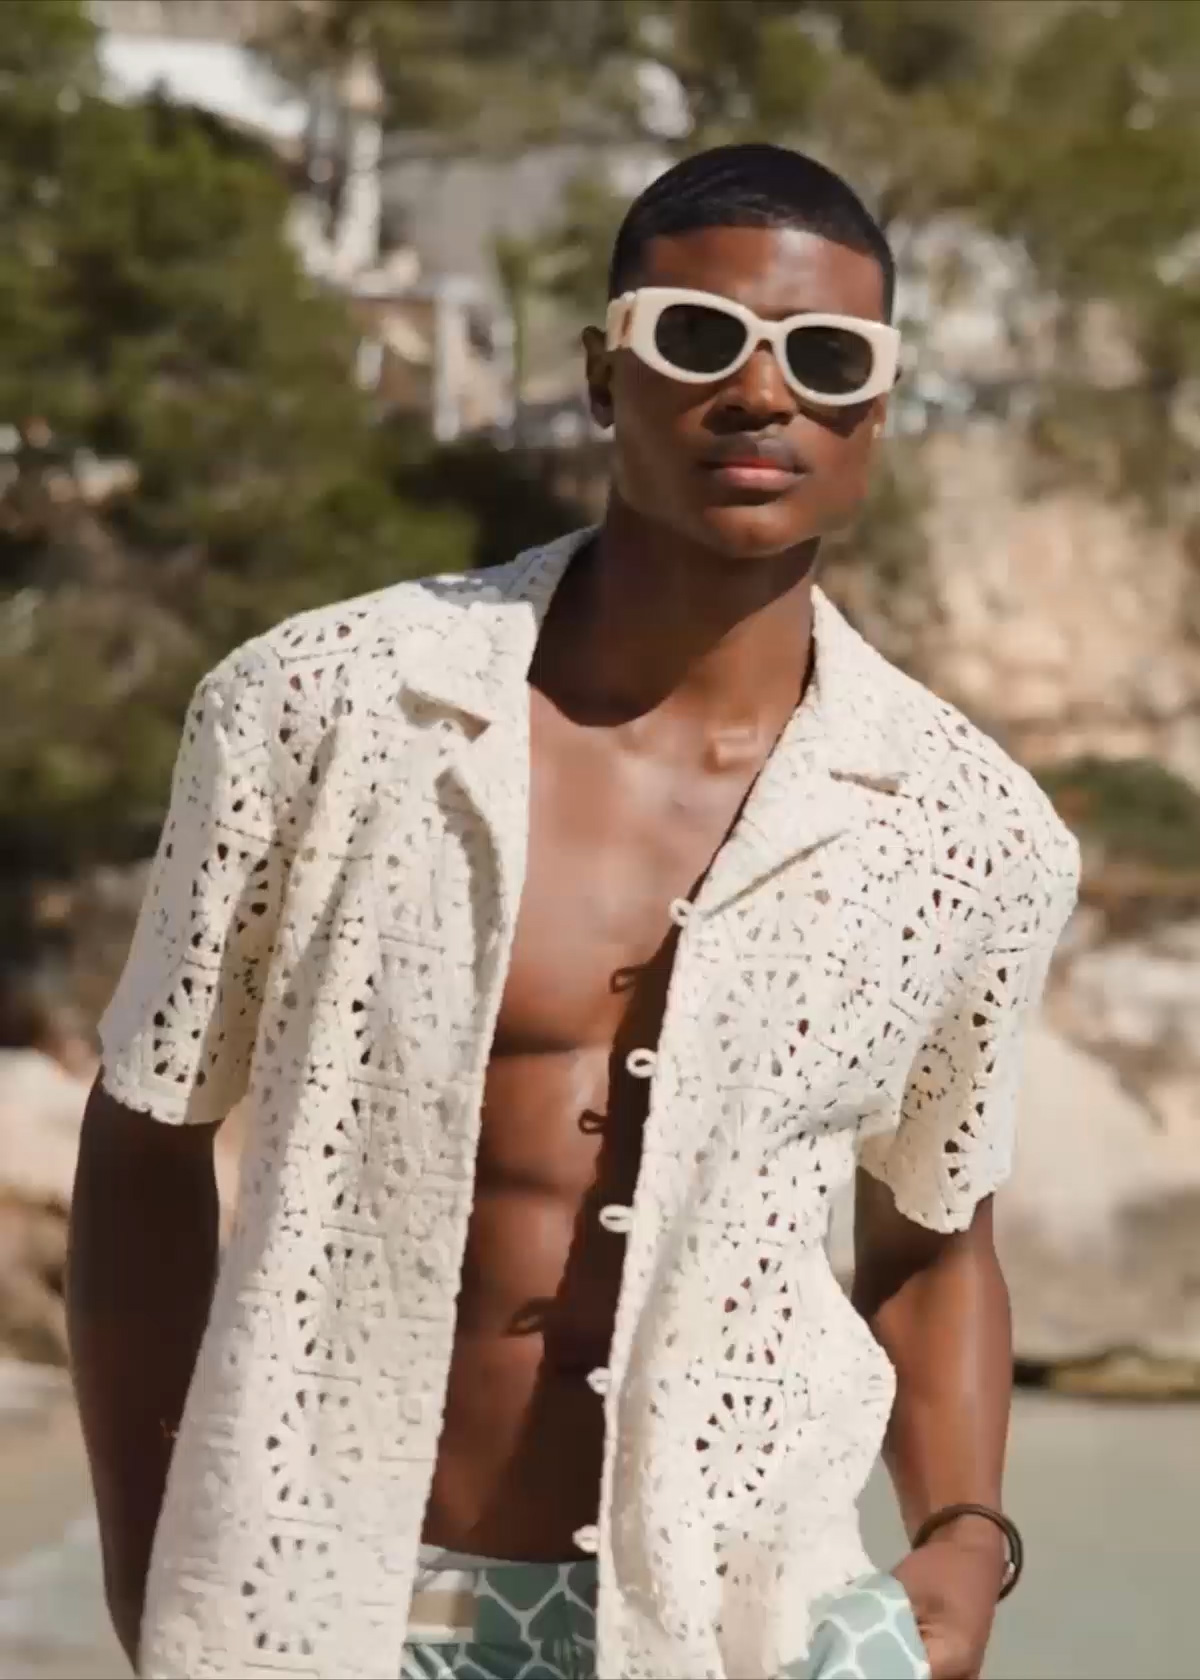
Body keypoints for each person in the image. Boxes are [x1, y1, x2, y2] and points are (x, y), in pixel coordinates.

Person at [68, 143, 1078, 1680]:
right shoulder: (319, 710)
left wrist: (963, 1541)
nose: (759, 394)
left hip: (752, 1631)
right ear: (608, 376)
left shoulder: (973, 832)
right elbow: (144, 1149)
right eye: (694, 339)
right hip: (342, 1602)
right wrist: (154, 1572)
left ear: (878, 410)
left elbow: (936, 1241)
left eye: (822, 357)